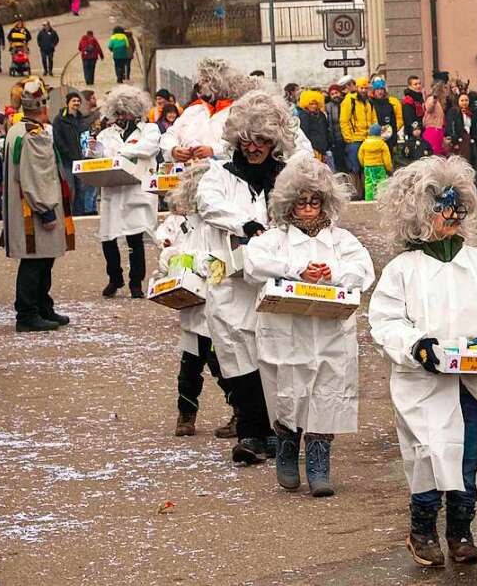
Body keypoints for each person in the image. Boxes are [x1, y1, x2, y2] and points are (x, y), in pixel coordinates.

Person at [369, 156, 477, 567]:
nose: (452, 215)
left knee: (467, 454)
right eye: (442, 206)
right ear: (419, 214)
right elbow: (385, 320)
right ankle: (421, 529)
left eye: (456, 205)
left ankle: (461, 528)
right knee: (428, 452)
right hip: (422, 384)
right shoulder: (402, 269)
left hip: (471, 381)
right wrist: (415, 345)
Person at [244, 154, 374, 496]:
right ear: (289, 203)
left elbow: (363, 269)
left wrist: (335, 275)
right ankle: (287, 445)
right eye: (301, 201)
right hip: (288, 331)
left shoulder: (341, 239)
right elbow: (253, 262)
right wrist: (296, 269)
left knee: (328, 391)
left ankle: (319, 462)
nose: (308, 208)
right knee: (288, 389)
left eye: (315, 201)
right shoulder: (275, 239)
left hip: (331, 332)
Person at [196, 89, 295, 465]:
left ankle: (280, 431)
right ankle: (251, 433)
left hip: (273, 280)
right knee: (237, 354)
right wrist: (244, 223)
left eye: (263, 140)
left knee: (275, 354)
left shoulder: (286, 176)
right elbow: (208, 205)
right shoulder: (219, 175)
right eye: (247, 140)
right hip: (230, 280)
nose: (253, 147)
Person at [154, 161, 234, 438]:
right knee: (189, 367)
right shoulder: (188, 224)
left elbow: (224, 265)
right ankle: (186, 414)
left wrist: (197, 265)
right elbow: (179, 252)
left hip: (216, 306)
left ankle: (240, 411)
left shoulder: (222, 226)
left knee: (222, 364)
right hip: (191, 306)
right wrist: (170, 261)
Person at [2, 79, 75, 332]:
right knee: (34, 262)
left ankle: (43, 306)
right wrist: (45, 211)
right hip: (33, 210)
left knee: (43, 260)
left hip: (26, 207)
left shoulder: (17, 129)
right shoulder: (34, 135)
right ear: (42, 107)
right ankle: (27, 313)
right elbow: (36, 176)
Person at [88, 86, 160, 299]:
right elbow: (99, 159)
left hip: (136, 192)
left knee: (134, 239)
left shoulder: (150, 130)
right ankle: (114, 277)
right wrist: (93, 152)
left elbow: (147, 149)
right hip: (113, 191)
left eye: (125, 112)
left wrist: (119, 153)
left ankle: (135, 282)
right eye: (118, 113)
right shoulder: (105, 134)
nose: (121, 117)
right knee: (108, 237)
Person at [339, 77, 377, 193]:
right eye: (361, 88)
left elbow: (374, 119)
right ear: (357, 88)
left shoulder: (369, 102)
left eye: (366, 88)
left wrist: (374, 135)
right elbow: (344, 120)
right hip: (355, 140)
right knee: (354, 167)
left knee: (366, 166)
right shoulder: (349, 101)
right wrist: (348, 138)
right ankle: (356, 191)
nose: (364, 90)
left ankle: (367, 190)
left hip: (368, 139)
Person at [53, 92, 85, 216]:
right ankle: (68, 214)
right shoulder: (60, 120)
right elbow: (58, 139)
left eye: (78, 101)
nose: (76, 103)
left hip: (81, 161)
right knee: (70, 189)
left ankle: (79, 214)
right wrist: (67, 153)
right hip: (67, 161)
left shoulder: (81, 119)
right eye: (73, 101)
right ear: (67, 103)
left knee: (81, 189)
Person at [358, 123, 393, 200]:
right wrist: (389, 168)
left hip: (368, 167)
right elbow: (387, 159)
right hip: (379, 167)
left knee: (368, 184)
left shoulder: (364, 144)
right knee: (381, 183)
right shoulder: (382, 144)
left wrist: (364, 164)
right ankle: (381, 199)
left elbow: (360, 156)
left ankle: (369, 200)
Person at [297, 89, 331, 162]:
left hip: (322, 148)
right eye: (311, 104)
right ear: (306, 104)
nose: (314, 106)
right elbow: (304, 133)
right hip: (311, 149)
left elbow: (325, 130)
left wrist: (327, 145)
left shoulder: (321, 115)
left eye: (315, 104)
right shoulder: (304, 116)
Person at [445, 92, 477, 164]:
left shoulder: (471, 112)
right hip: (458, 140)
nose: (464, 102)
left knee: (467, 161)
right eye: (462, 100)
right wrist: (454, 141)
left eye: (466, 100)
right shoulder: (453, 111)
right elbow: (451, 126)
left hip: (468, 139)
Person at [370, 77, 403, 148]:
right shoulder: (370, 104)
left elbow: (393, 123)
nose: (380, 91)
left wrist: (394, 137)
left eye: (382, 89)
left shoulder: (389, 105)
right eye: (377, 89)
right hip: (375, 139)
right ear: (374, 91)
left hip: (388, 138)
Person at [325, 83, 347, 172]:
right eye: (332, 94)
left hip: (347, 138)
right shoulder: (328, 106)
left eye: (336, 93)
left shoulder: (346, 103)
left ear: (340, 93)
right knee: (339, 164)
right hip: (336, 140)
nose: (335, 95)